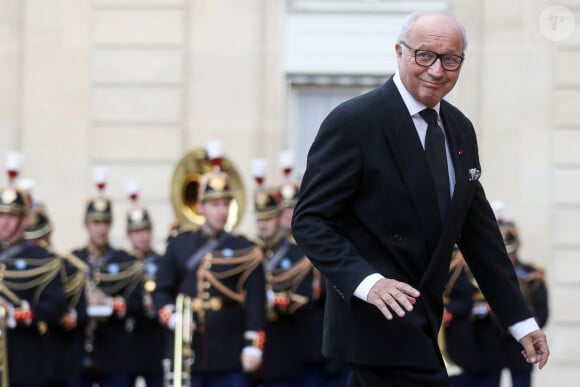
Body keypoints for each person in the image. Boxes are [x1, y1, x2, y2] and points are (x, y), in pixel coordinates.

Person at [291, 10, 549, 387]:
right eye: (424, 55)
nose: (437, 70)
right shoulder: (355, 121)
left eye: (451, 59)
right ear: (399, 52)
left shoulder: (460, 129)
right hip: (375, 320)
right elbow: (309, 220)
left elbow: (479, 234)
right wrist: (367, 282)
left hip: (425, 318)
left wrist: (520, 320)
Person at [153, 166, 266, 387]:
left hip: (230, 351)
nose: (221, 211)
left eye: (225, 204)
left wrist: (254, 345)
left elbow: (256, 302)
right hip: (188, 352)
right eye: (214, 205)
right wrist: (173, 318)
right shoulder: (179, 245)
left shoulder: (245, 248)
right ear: (200, 207)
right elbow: (161, 291)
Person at [70, 192, 143, 387]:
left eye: (105, 223)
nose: (101, 229)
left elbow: (137, 303)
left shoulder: (125, 261)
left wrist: (110, 303)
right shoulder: (74, 260)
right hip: (79, 351)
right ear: (86, 224)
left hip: (114, 352)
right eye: (96, 223)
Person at [0, 186, 68, 386]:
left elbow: (56, 306)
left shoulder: (41, 258)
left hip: (24, 356)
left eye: (11, 216)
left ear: (24, 220)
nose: (4, 222)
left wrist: (13, 312)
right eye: (1, 214)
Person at [250, 186, 311, 387]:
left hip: (285, 345)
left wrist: (269, 299)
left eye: (268, 218)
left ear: (278, 217)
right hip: (256, 347)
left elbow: (303, 297)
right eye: (260, 219)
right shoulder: (250, 253)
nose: (263, 225)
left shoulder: (296, 254)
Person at [24, 204, 90, 386]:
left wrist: (66, 318)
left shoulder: (68, 268)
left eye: (39, 240)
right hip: (28, 359)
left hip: (61, 357)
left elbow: (81, 313)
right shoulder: (17, 269)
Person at [499, 222, 549, 387]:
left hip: (521, 344)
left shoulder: (531, 274)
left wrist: (530, 328)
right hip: (494, 341)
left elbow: (542, 310)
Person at [125, 204, 166, 387]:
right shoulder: (123, 263)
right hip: (129, 337)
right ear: (129, 235)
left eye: (145, 230)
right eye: (136, 232)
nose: (142, 236)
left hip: (155, 337)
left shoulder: (161, 262)